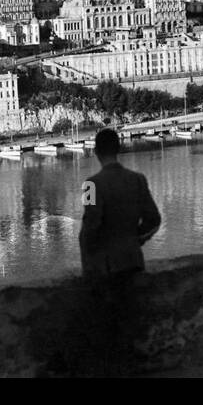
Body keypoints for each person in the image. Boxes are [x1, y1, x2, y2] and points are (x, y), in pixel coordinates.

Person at [76, 127, 161, 374]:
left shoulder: (91, 185)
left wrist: (87, 262)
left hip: (105, 267)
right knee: (130, 325)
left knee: (106, 329)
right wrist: (136, 241)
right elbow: (153, 220)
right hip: (133, 262)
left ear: (96, 152)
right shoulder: (138, 180)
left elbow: (90, 227)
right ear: (119, 149)